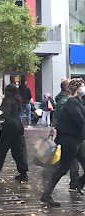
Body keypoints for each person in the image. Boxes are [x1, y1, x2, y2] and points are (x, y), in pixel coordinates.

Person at [41, 77, 85, 207]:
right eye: (82, 86)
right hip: (69, 140)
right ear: (77, 88)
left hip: (77, 140)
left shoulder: (79, 102)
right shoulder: (71, 102)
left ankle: (78, 183)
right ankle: (46, 195)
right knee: (63, 168)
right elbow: (80, 121)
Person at [0, 83, 29, 182]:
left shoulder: (8, 100)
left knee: (1, 149)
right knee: (19, 150)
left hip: (9, 128)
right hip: (18, 127)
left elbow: (5, 114)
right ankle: (23, 172)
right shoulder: (18, 100)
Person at [54, 79, 81, 190]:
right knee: (66, 165)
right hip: (71, 137)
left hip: (76, 137)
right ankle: (74, 183)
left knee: (72, 162)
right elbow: (62, 118)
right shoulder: (66, 102)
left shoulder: (73, 101)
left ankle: (77, 183)